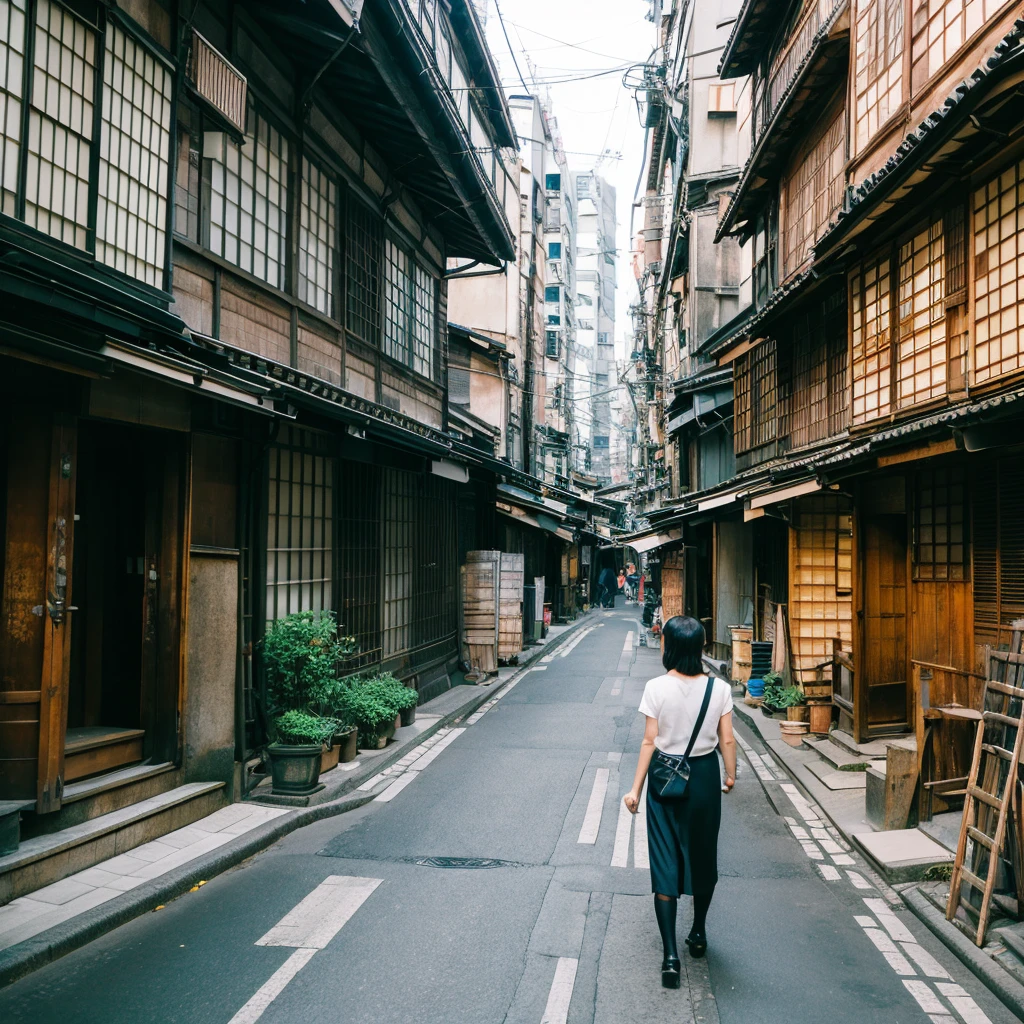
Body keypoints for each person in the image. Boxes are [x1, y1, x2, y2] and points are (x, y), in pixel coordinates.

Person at [623, 615, 736, 988]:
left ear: (668, 647)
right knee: (703, 856)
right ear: (701, 649)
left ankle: (670, 955)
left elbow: (648, 742)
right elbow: (728, 740)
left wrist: (636, 789)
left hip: (664, 780)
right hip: (703, 777)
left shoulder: (656, 687)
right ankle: (699, 933)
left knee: (665, 860)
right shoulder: (718, 690)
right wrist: (730, 774)